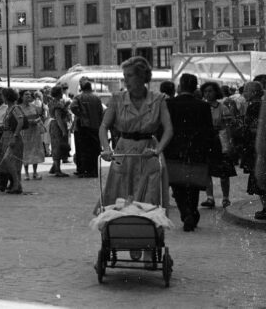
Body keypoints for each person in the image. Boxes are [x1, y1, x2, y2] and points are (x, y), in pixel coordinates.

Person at [98, 57, 173, 212]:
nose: (126, 80)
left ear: (142, 76)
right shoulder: (117, 99)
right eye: (124, 76)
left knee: (149, 198)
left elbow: (169, 129)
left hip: (149, 152)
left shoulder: (158, 99)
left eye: (130, 75)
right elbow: (104, 126)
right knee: (119, 196)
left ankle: (148, 230)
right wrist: (106, 148)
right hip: (124, 151)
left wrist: (157, 151)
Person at [164, 73, 219, 231]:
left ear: (180, 86)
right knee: (193, 183)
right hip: (196, 150)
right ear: (195, 87)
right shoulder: (202, 105)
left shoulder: (169, 104)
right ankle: (192, 211)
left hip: (174, 149)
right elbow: (209, 131)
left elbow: (165, 127)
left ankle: (186, 212)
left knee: (177, 183)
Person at [200, 81, 236, 209]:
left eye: (210, 91)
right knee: (206, 171)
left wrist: (229, 143)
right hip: (206, 141)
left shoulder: (222, 107)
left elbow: (227, 127)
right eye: (205, 91)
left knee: (224, 172)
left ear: (216, 92)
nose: (207, 94)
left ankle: (225, 198)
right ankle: (210, 198)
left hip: (220, 141)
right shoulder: (201, 107)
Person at [239, 81, 266, 220]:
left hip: (255, 146)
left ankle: (265, 208)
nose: (244, 94)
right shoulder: (260, 105)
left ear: (254, 92)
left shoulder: (253, 107)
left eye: (246, 91)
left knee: (259, 176)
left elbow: (252, 128)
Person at [71, 78, 104, 178]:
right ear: (90, 87)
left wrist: (81, 115)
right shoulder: (97, 98)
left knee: (83, 149)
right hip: (95, 126)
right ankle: (94, 171)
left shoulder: (79, 97)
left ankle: (83, 170)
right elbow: (101, 111)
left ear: (81, 88)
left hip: (83, 126)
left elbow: (73, 107)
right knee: (94, 149)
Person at [0, 88, 25, 194]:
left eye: (3, 95)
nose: (1, 98)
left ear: (7, 97)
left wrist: (15, 136)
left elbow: (21, 121)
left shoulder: (15, 108)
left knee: (7, 161)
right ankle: (16, 184)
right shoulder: (9, 109)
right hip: (7, 136)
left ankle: (17, 184)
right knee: (10, 161)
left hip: (14, 137)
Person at [19, 90, 45, 180]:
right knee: (25, 152)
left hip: (35, 132)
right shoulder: (19, 108)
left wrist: (38, 122)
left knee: (35, 151)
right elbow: (19, 121)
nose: (28, 96)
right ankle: (26, 173)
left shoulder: (34, 106)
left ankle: (35, 172)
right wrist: (30, 122)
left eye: (29, 95)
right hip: (25, 132)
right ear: (21, 96)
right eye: (26, 94)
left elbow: (38, 117)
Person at [47, 86, 70, 177]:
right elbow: (58, 117)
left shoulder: (53, 102)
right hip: (57, 126)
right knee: (58, 146)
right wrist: (63, 130)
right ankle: (57, 170)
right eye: (61, 92)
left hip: (54, 124)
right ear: (59, 93)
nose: (62, 94)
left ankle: (54, 167)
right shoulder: (57, 104)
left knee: (57, 145)